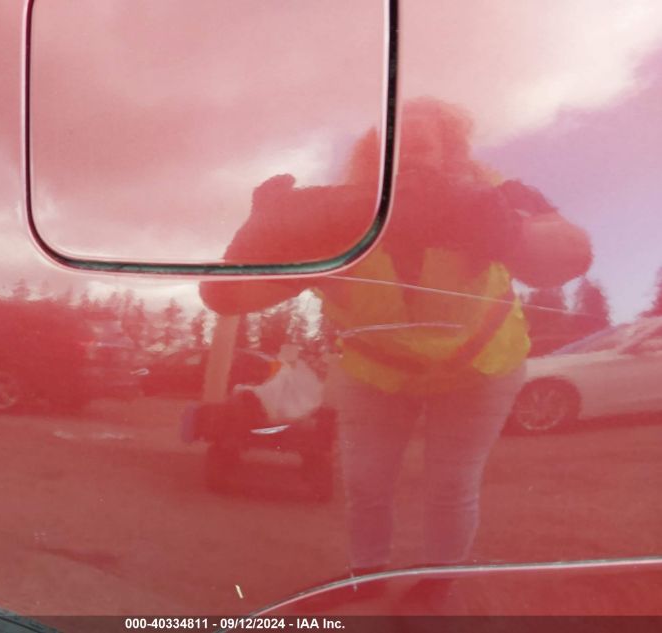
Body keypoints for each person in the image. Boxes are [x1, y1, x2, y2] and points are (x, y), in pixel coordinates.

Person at [200, 98, 592, 606]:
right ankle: (365, 576)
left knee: (451, 483)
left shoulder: (499, 198)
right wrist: (259, 236)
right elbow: (227, 297)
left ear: (451, 153)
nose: (406, 156)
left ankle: (437, 584)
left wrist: (508, 229)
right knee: (366, 482)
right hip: (376, 371)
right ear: (373, 158)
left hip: (480, 368)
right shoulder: (332, 219)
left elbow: (572, 253)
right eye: (392, 146)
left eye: (422, 145)